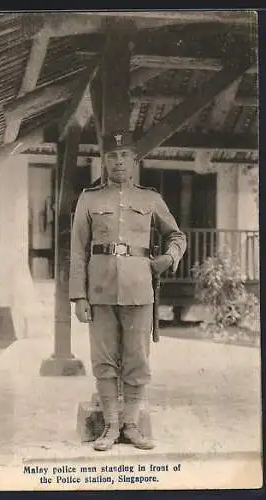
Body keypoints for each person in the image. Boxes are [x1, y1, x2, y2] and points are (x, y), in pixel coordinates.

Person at [69, 131, 187, 451]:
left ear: (135, 162)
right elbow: (78, 251)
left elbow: (177, 236)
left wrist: (168, 258)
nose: (118, 163)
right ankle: (110, 427)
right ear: (105, 162)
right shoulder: (89, 199)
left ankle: (131, 425)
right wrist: (79, 296)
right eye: (112, 157)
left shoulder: (150, 199)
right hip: (100, 289)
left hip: (139, 288)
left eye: (124, 157)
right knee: (104, 359)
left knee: (137, 360)